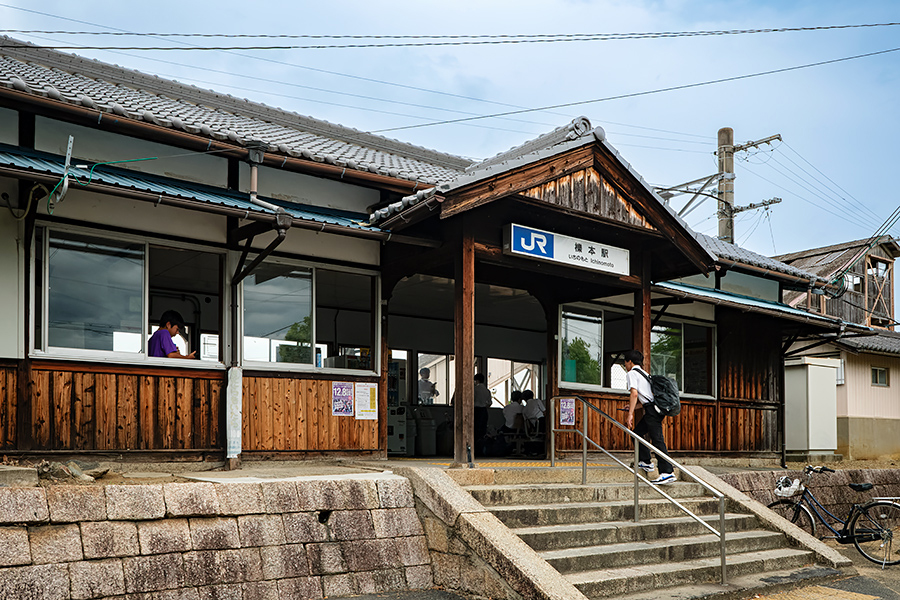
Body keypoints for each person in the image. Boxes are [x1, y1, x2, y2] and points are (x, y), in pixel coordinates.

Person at [624, 349, 675, 485]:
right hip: (654, 408)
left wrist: (630, 414)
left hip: (652, 411)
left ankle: (667, 472)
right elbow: (647, 397)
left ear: (629, 362)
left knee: (657, 440)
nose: (625, 365)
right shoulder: (644, 374)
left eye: (625, 362)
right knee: (637, 434)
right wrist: (633, 407)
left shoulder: (632, 374)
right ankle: (646, 462)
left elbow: (634, 394)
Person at [473, 373, 492, 455]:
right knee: (483, 431)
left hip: (476, 410)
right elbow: (490, 403)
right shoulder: (487, 391)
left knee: (475, 430)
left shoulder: (474, 389)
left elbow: (471, 400)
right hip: (484, 411)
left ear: (476, 380)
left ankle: (475, 450)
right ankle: (482, 450)